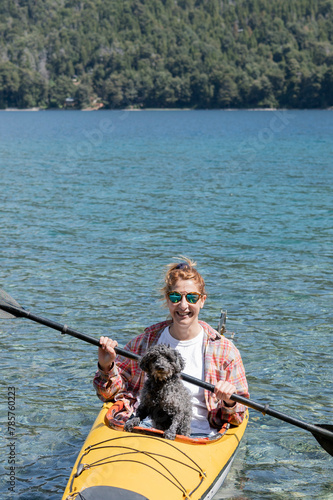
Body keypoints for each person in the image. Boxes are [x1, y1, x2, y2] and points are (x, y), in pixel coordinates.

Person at [94, 257, 249, 436]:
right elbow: (109, 394)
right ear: (168, 300)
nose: (183, 305)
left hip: (199, 435)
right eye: (176, 297)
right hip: (143, 428)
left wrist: (230, 402)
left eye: (192, 297)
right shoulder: (145, 342)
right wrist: (106, 367)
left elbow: (238, 417)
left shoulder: (225, 352)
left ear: (202, 300)